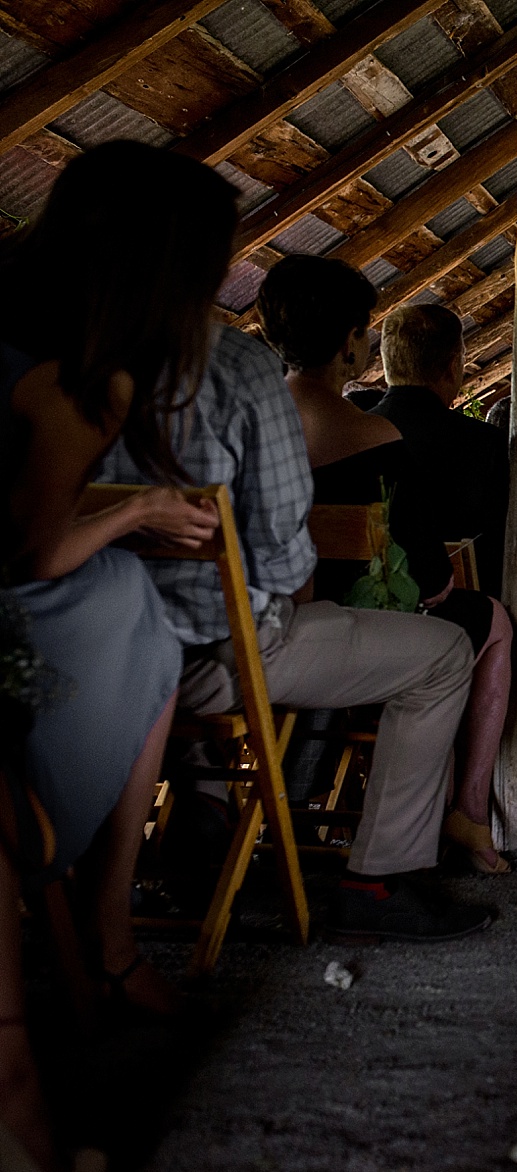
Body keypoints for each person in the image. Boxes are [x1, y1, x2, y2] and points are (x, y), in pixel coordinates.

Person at [98, 315, 493, 941]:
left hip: (108, 656)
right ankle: (377, 878)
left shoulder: (71, 357)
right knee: (444, 650)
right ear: (352, 346)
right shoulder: (240, 369)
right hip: (221, 657)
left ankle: (200, 793)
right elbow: (289, 560)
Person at [0, 143, 237, 1166]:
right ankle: (106, 925)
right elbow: (36, 548)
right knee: (139, 611)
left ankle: (102, 930)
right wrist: (140, 505)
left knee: (125, 597)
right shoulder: (75, 383)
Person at [256, 255, 516, 874]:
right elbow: (428, 578)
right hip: (335, 626)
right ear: (350, 342)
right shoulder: (370, 438)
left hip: (248, 623)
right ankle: (467, 811)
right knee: (488, 622)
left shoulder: (254, 424)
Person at [370, 305, 510, 597]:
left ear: (386, 364)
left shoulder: (358, 435)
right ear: (453, 365)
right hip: (464, 608)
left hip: (369, 604)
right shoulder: (484, 444)